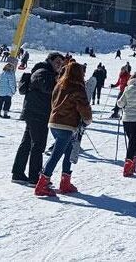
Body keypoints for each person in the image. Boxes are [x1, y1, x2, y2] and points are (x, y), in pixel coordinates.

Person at [35, 62, 93, 196]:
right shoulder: (78, 87)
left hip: (54, 123)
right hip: (66, 125)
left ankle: (65, 182)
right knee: (56, 154)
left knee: (68, 151)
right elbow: (83, 106)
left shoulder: (60, 84)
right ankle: (42, 184)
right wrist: (87, 119)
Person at [12, 52, 64, 186]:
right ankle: (34, 177)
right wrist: (58, 82)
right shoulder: (42, 71)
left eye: (61, 63)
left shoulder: (46, 72)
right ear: (50, 60)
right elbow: (47, 88)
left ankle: (18, 174)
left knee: (28, 143)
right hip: (37, 114)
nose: (60, 65)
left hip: (36, 113)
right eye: (58, 61)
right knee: (38, 145)